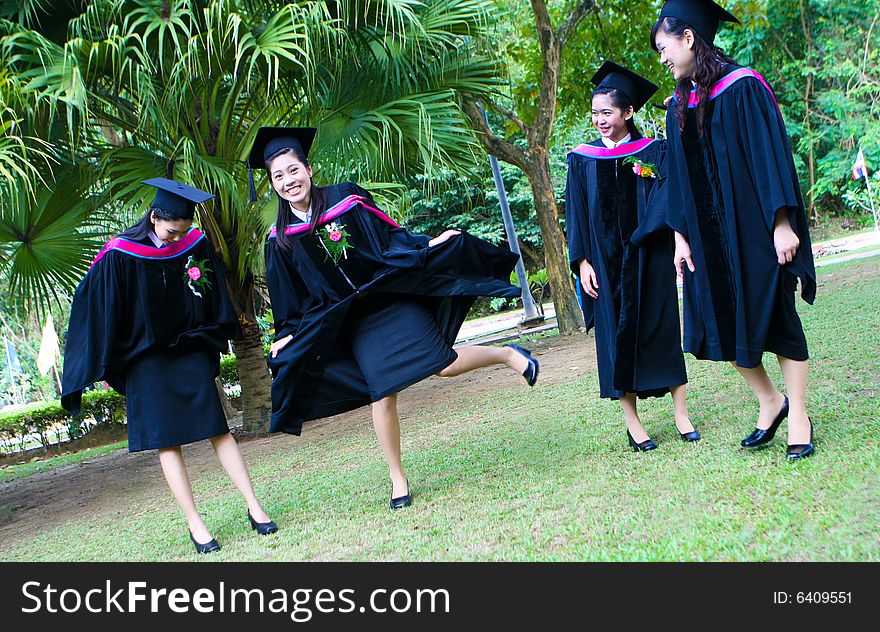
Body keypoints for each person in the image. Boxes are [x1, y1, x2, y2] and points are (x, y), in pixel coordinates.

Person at [250, 127, 539, 509]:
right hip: (353, 321)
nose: (289, 181)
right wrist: (285, 333)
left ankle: (507, 355)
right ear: (272, 184)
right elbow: (290, 296)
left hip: (391, 298)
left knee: (444, 364)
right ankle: (397, 478)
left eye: (293, 170)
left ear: (308, 168)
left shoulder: (346, 199)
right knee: (381, 394)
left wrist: (428, 245)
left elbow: (390, 237)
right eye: (279, 176)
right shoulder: (281, 238)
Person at [61, 178, 277, 554]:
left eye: (183, 231)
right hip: (145, 359)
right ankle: (196, 524)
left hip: (187, 348)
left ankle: (254, 506)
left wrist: (207, 333)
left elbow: (211, 294)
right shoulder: (120, 253)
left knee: (218, 430)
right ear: (154, 217)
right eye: (171, 231)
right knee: (167, 441)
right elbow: (93, 304)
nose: (177, 238)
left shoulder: (193, 244)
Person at [651, 0, 816, 459]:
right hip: (707, 239)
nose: (662, 59)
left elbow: (770, 157)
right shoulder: (678, 105)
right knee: (719, 322)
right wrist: (681, 235)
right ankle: (770, 401)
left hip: (753, 230)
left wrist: (782, 223)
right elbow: (679, 178)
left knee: (776, 318)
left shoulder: (744, 86)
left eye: (665, 48)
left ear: (688, 38)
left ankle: (798, 412)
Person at [566, 61, 697, 452]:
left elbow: (670, 200)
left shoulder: (653, 151)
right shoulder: (581, 158)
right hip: (604, 267)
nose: (600, 121)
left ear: (628, 112)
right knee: (613, 339)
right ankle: (633, 423)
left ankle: (681, 413)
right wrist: (583, 261)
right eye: (595, 113)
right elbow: (575, 212)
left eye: (607, 112)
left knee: (662, 330)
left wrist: (670, 239)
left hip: (649, 257)